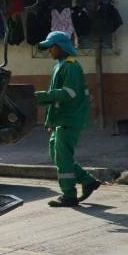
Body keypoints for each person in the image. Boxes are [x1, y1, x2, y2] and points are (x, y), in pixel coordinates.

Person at [35, 30, 101, 207]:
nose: (50, 50)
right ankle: (88, 181)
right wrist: (50, 120)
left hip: (69, 119)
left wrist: (39, 97)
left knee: (63, 158)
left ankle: (69, 196)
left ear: (61, 47)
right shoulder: (61, 65)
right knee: (57, 154)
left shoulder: (71, 66)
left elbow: (68, 94)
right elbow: (56, 98)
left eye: (52, 47)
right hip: (62, 120)